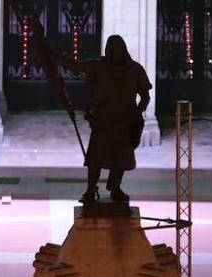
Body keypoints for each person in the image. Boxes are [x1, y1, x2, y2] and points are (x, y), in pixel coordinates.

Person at [50, 32, 151, 203]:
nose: (114, 52)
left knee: (121, 158)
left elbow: (145, 96)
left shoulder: (135, 69)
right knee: (96, 158)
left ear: (123, 49)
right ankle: (90, 189)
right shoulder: (100, 66)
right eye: (111, 49)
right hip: (103, 120)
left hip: (124, 121)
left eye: (117, 48)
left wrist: (136, 113)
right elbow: (76, 66)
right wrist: (56, 58)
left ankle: (115, 187)